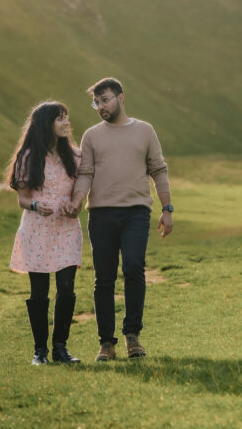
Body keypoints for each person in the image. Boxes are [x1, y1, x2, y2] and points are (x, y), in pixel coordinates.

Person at [68, 77, 173, 361]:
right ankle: (106, 343)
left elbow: (158, 170)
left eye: (105, 100)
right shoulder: (91, 136)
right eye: (96, 103)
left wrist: (167, 209)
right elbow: (85, 173)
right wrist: (77, 200)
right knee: (104, 277)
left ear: (121, 98)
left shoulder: (145, 131)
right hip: (100, 213)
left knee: (134, 267)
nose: (101, 106)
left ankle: (132, 336)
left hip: (136, 212)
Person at [7, 101, 83, 365]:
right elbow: (23, 199)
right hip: (37, 230)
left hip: (67, 229)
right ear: (45, 124)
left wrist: (76, 206)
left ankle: (60, 348)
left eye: (66, 117)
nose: (66, 123)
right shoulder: (28, 158)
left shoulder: (76, 156)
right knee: (39, 290)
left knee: (66, 286)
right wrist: (37, 205)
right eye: (60, 118)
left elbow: (80, 192)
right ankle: (40, 351)